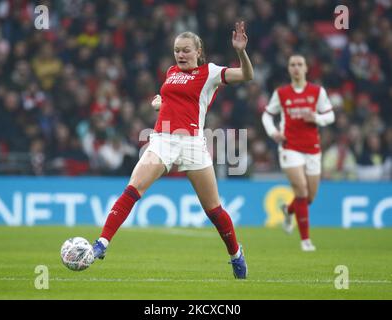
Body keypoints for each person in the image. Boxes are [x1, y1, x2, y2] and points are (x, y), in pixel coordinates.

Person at [92, 21, 254, 279]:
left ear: (198, 51)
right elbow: (174, 100)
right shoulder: (170, 72)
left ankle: (236, 254)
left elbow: (247, 76)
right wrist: (160, 103)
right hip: (162, 140)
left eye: (186, 50)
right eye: (177, 50)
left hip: (192, 143)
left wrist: (240, 52)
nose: (180, 54)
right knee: (134, 188)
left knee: (213, 210)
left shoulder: (210, 72)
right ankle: (101, 244)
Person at [262, 54, 335, 252]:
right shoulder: (282, 93)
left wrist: (317, 118)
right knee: (301, 190)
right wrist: (273, 132)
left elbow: (331, 115)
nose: (296, 68)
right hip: (289, 146)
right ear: (288, 69)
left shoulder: (317, 91)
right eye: (292, 64)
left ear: (306, 68)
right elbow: (267, 115)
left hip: (312, 148)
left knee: (309, 197)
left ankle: (288, 210)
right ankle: (305, 241)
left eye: (299, 64)